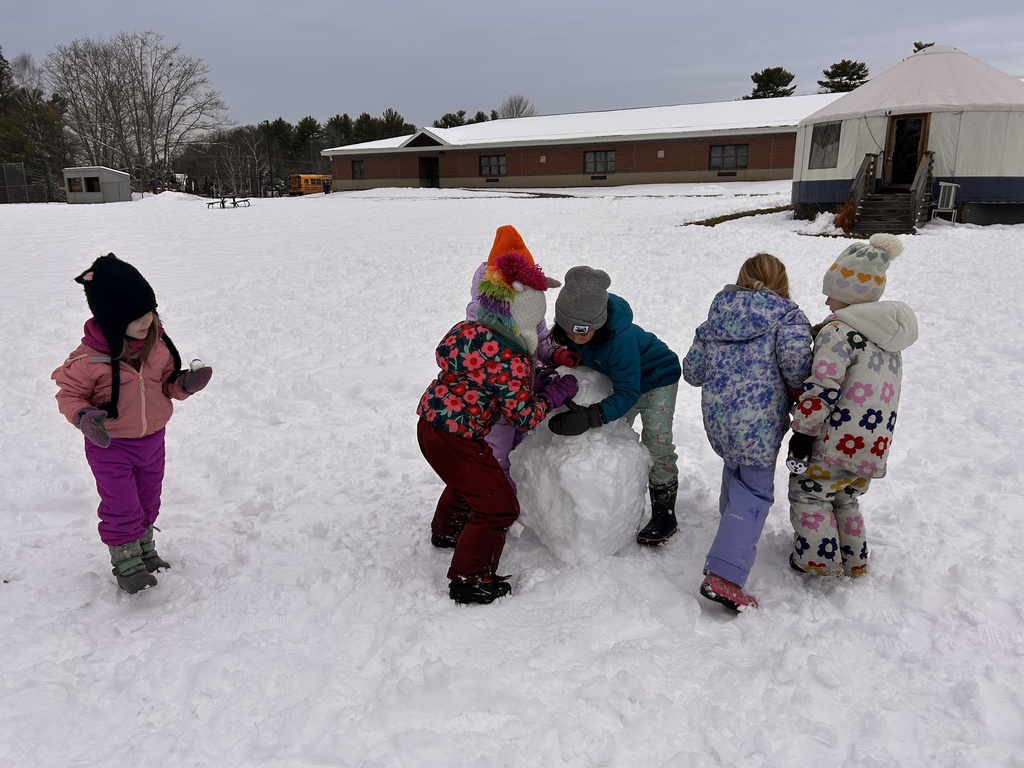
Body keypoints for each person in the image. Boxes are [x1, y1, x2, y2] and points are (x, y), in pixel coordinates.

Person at [417, 226, 578, 605]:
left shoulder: (473, 332)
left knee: (470, 481)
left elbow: (491, 378)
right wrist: (556, 391)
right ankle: (470, 578)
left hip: (430, 424)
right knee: (499, 505)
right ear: (521, 321)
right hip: (458, 436)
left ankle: (446, 532)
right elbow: (523, 415)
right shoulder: (511, 360)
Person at [52, 254, 213, 593]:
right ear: (112, 319)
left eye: (150, 312)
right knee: (121, 504)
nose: (147, 321)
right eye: (137, 316)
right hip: (110, 445)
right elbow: (69, 396)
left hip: (153, 440)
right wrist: (84, 417)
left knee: (148, 499)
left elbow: (165, 385)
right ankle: (126, 561)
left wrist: (184, 384)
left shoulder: (158, 347)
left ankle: (144, 549)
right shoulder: (89, 359)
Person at [682, 254, 812, 610]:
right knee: (754, 493)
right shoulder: (788, 319)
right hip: (759, 424)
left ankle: (730, 531)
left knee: (735, 473)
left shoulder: (716, 318)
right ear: (782, 283)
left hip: (720, 420)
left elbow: (692, 372)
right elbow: (798, 372)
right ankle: (725, 575)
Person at [787, 234, 918, 578]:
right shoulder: (888, 337)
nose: (827, 300)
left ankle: (818, 562)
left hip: (834, 439)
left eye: (832, 293)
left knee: (810, 497)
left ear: (848, 295)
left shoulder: (839, 332)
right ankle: (854, 560)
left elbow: (823, 387)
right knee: (845, 498)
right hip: (872, 444)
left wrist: (802, 433)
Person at [548, 266, 682, 546]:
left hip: (657, 380)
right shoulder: (581, 335)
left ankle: (664, 511)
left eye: (582, 332)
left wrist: (591, 416)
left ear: (598, 322)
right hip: (627, 379)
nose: (574, 336)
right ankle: (623, 495)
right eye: (568, 329)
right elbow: (584, 353)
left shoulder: (621, 340)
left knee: (656, 443)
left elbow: (629, 392)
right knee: (617, 435)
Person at [464, 226, 579, 490]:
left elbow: (538, 340)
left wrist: (556, 353)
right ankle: (500, 499)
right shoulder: (482, 319)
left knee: (520, 440)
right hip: (493, 398)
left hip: (519, 388)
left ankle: (521, 488)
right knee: (498, 448)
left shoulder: (530, 305)